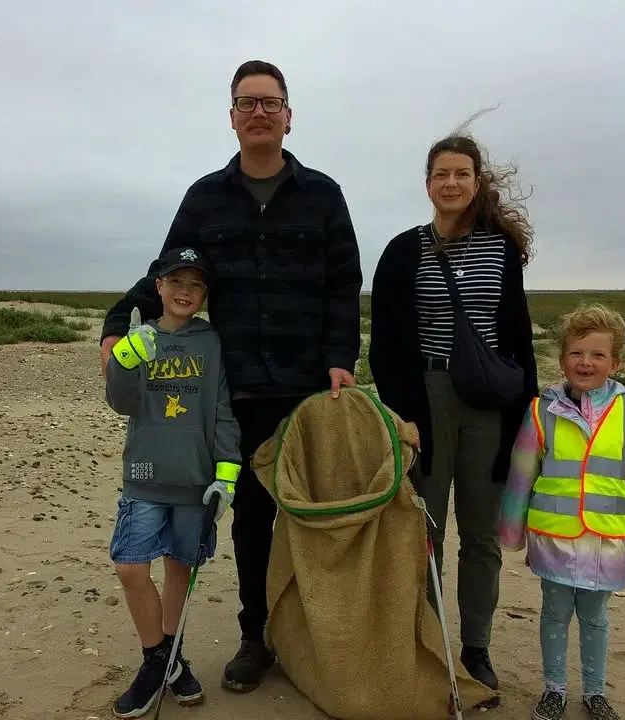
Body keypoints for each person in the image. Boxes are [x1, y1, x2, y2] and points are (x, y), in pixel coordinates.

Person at [99, 60, 363, 693]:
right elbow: (166, 270)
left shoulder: (323, 194)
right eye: (248, 103)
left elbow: (343, 284)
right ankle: (255, 638)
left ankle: (316, 634)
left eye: (270, 103)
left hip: (309, 386)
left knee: (311, 513)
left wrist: (341, 359)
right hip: (237, 386)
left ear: (289, 116)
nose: (259, 113)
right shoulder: (205, 197)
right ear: (233, 117)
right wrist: (115, 321)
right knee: (250, 519)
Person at [367, 131, 539, 690]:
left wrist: (523, 421)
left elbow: (517, 338)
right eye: (441, 174)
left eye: (461, 173)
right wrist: (403, 416)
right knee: (426, 530)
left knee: (481, 536)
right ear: (427, 184)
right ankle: (430, 641)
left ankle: (475, 647)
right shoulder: (403, 251)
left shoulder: (500, 250)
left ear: (476, 181)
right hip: (427, 398)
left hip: (489, 403)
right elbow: (385, 346)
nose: (451, 183)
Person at [498, 304, 625, 720]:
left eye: (598, 355)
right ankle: (554, 688)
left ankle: (595, 692)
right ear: (562, 358)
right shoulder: (541, 410)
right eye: (576, 353)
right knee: (554, 613)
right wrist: (511, 531)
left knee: (595, 616)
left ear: (615, 362)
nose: (586, 362)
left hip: (606, 536)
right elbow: (521, 473)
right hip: (554, 534)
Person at [104, 245, 243, 717]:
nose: (185, 292)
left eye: (195, 285)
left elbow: (222, 411)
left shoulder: (212, 342)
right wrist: (125, 357)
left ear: (204, 294)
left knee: (179, 569)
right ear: (159, 286)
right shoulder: (140, 337)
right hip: (145, 476)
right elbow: (121, 403)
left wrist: (227, 475)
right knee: (130, 569)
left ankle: (169, 658)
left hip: (195, 481)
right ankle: (159, 660)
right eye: (176, 282)